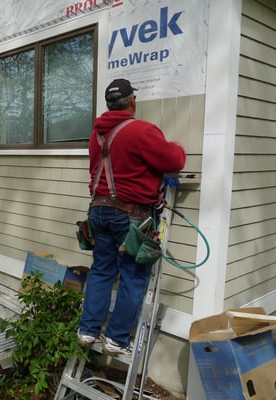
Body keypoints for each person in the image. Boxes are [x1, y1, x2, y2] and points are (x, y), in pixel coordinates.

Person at [77, 79, 186, 356]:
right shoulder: (142, 131)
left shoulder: (96, 135)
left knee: (102, 271)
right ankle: (116, 339)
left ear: (108, 104)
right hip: (130, 215)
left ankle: (88, 331)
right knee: (133, 276)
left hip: (98, 210)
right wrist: (176, 146)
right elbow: (174, 161)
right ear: (132, 101)